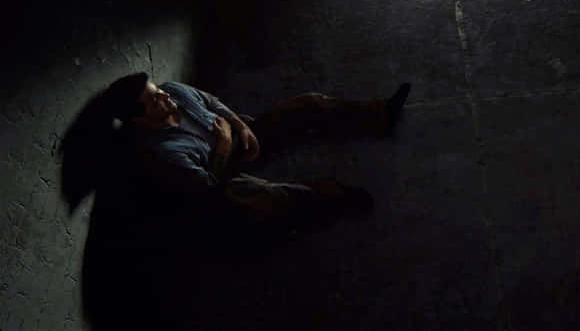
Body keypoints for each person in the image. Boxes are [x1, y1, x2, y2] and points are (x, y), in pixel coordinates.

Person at [103, 72, 411, 228]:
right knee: (266, 197)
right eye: (154, 101)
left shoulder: (172, 91)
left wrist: (240, 127)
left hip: (238, 138)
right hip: (220, 181)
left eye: (158, 91)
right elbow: (207, 189)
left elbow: (211, 102)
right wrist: (223, 146)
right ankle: (332, 198)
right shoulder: (163, 154)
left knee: (309, 104)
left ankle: (379, 113)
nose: (165, 99)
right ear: (140, 120)